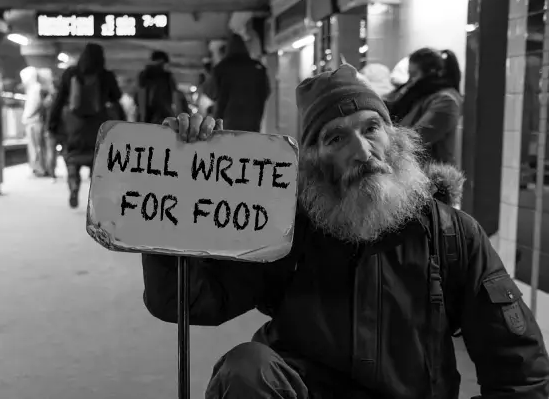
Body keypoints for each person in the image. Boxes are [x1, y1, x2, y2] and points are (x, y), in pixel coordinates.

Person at [141, 64, 549, 399]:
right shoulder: (286, 228)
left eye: (371, 127)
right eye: (337, 138)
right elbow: (187, 301)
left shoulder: (453, 235)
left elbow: (520, 371)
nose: (362, 150)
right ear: (316, 162)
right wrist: (175, 182)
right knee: (247, 368)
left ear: (394, 138)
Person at [48, 43, 125, 208]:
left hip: (74, 124)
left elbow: (59, 99)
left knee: (72, 157)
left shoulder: (70, 74)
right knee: (97, 160)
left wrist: (53, 122)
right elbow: (116, 98)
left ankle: (74, 185)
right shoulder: (105, 75)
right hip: (98, 123)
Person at [386, 48, 463, 166]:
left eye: (414, 74)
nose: (410, 81)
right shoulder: (420, 95)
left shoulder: (445, 101)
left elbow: (415, 139)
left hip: (432, 178)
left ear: (431, 73)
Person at [203, 33, 270, 132]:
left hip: (226, 125)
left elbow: (211, 92)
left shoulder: (221, 68)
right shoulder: (258, 68)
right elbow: (266, 92)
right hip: (253, 123)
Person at [20, 66, 49, 178]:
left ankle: (38, 169)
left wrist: (25, 117)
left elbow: (34, 105)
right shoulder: (36, 88)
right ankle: (40, 167)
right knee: (38, 146)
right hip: (36, 121)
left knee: (35, 146)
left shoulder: (35, 89)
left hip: (33, 121)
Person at [135, 50, 177, 124]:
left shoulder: (144, 74)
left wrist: (142, 116)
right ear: (161, 61)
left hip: (148, 114)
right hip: (162, 113)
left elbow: (141, 94)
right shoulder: (166, 76)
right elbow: (174, 95)